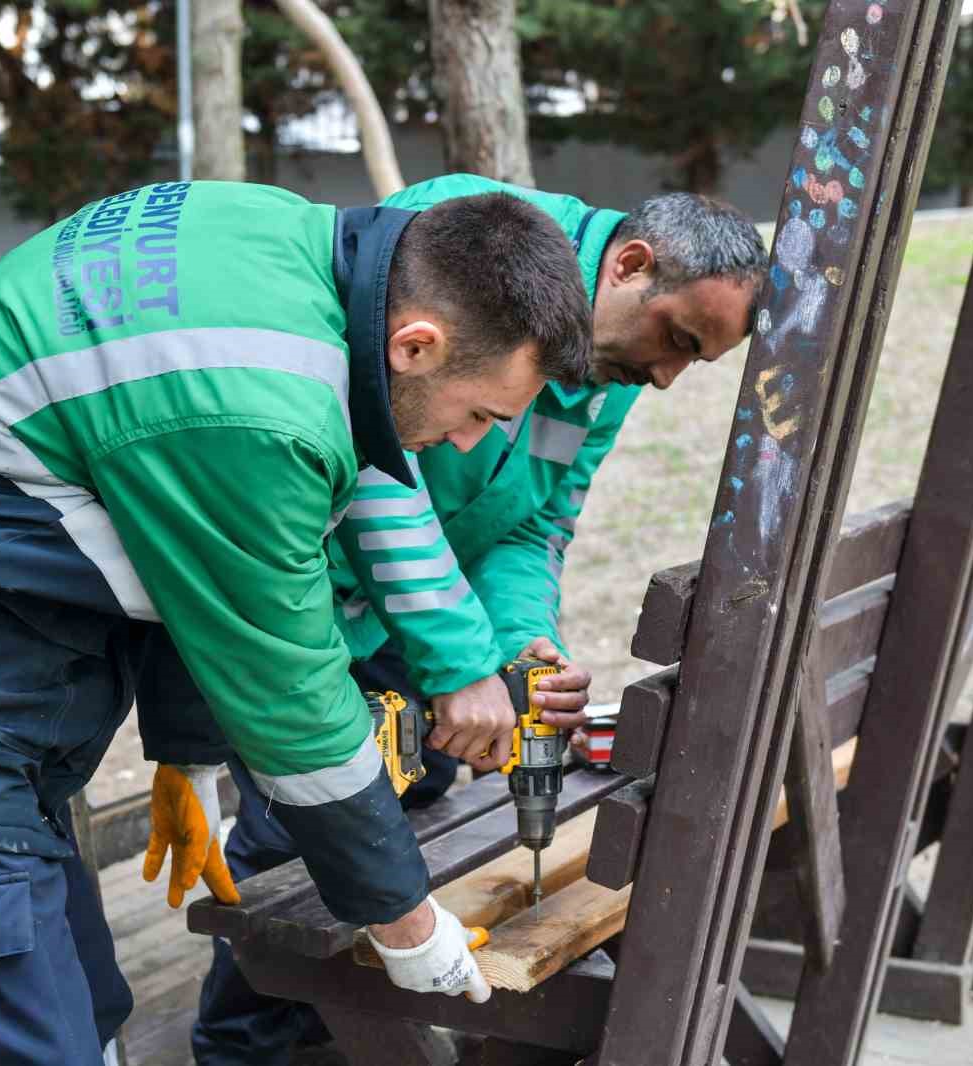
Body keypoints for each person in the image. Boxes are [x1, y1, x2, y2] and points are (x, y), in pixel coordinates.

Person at [0, 180, 593, 1066]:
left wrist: (187, 747)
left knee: (87, 1007)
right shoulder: (268, 406)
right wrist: (405, 923)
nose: (472, 444)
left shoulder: (280, 241)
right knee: (10, 1044)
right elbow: (291, 699)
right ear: (416, 344)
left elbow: (178, 537)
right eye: (481, 414)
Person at [137, 174, 769, 1066]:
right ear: (630, 264)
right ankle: (243, 1045)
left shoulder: (605, 368)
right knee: (301, 835)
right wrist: (464, 661)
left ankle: (337, 1025)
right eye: (676, 340)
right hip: (312, 603)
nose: (665, 378)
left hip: (435, 632)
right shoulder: (469, 244)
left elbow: (534, 522)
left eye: (691, 363)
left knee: (421, 793)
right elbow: (376, 472)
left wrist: (520, 645)